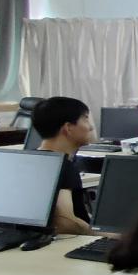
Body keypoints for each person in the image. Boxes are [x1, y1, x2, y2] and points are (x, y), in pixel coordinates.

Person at [32, 96, 94, 235]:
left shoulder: (31, 159)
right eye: (85, 119)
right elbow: (64, 222)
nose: (90, 127)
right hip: (71, 241)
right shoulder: (63, 166)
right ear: (68, 128)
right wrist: (106, 235)